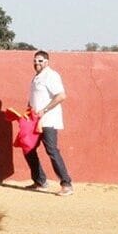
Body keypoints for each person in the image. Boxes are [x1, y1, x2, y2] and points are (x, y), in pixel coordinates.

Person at [25, 50, 74, 196]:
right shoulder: (36, 77)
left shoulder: (51, 75)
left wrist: (44, 110)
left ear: (47, 62)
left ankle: (66, 184)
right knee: (28, 148)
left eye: (40, 61)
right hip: (34, 120)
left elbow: (61, 96)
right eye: (35, 60)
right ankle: (40, 181)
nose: (37, 63)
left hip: (48, 120)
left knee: (51, 150)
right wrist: (29, 111)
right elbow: (34, 98)